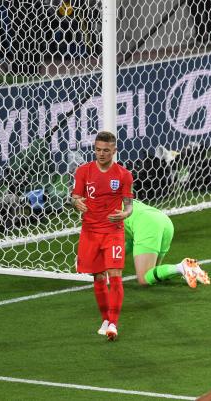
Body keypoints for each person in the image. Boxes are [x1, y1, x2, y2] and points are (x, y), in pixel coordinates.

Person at [71, 131, 134, 341]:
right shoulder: (83, 172)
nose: (101, 154)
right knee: (98, 277)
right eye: (98, 150)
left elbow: (129, 205)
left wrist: (124, 214)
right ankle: (106, 319)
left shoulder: (124, 175)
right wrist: (75, 202)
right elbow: (76, 196)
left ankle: (114, 323)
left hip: (113, 231)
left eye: (106, 150)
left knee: (115, 274)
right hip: (90, 232)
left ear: (114, 151)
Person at [124, 199, 210, 289]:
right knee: (154, 274)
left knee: (144, 278)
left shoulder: (109, 211)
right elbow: (130, 242)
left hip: (148, 226)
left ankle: (181, 267)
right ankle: (193, 270)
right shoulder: (121, 199)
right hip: (164, 220)